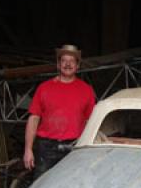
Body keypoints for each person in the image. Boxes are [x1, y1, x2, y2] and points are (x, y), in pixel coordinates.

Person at [23, 44, 95, 180]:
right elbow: (33, 119)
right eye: (64, 60)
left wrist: (87, 149)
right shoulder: (44, 88)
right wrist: (28, 149)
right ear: (58, 64)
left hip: (75, 146)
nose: (68, 64)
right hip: (46, 147)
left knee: (72, 186)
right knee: (41, 186)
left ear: (77, 66)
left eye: (72, 61)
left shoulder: (87, 90)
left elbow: (90, 122)